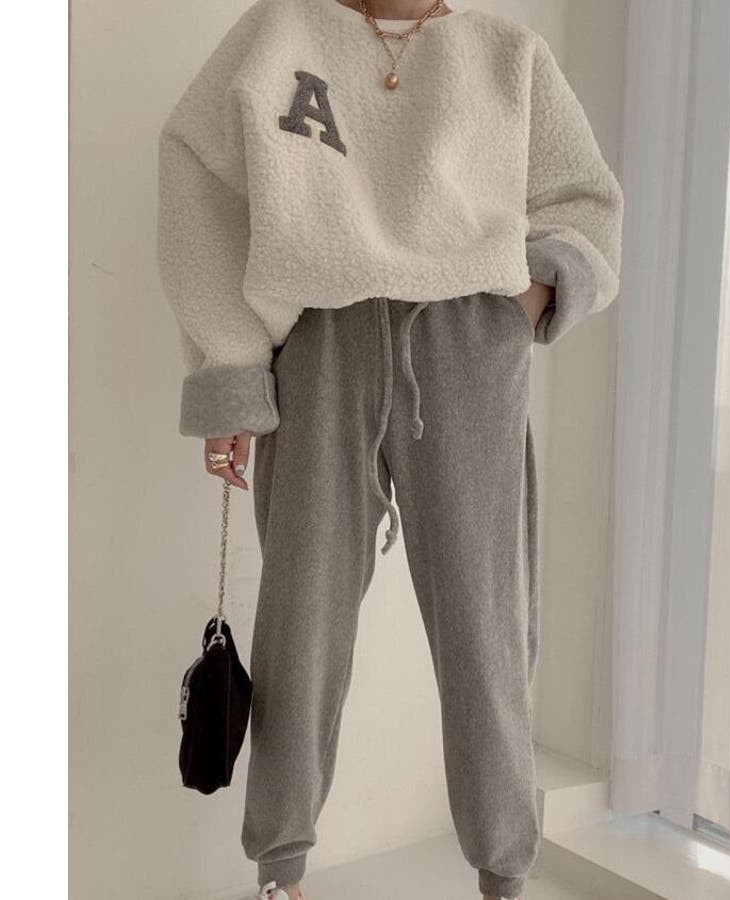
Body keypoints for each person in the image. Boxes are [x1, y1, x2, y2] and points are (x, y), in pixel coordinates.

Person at [156, 0, 624, 897]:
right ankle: (280, 874)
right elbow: (198, 173)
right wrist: (231, 367)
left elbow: (586, 203)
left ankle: (504, 876)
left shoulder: (507, 54)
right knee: (300, 625)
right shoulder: (280, 33)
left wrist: (525, 298)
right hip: (320, 347)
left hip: (469, 346)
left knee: (487, 627)